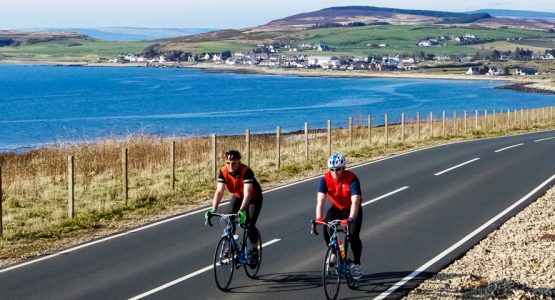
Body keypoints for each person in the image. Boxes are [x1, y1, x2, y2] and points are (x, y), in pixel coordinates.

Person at [205, 150, 263, 261]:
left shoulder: (246, 171)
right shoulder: (223, 171)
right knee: (228, 217)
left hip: (253, 197)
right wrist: (213, 209)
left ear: (239, 162)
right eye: (228, 163)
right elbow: (219, 191)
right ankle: (231, 245)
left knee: (249, 224)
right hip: (238, 195)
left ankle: (255, 250)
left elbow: (248, 194)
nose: (230, 166)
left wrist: (241, 211)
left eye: (234, 163)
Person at [316, 153, 363, 280]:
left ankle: (356, 264)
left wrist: (351, 218)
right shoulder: (325, 179)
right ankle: (334, 252)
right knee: (327, 227)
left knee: (353, 236)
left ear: (344, 168)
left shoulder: (352, 179)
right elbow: (320, 200)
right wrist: (319, 217)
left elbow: (355, 201)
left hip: (352, 210)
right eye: (332, 169)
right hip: (337, 208)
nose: (334, 172)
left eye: (337, 169)